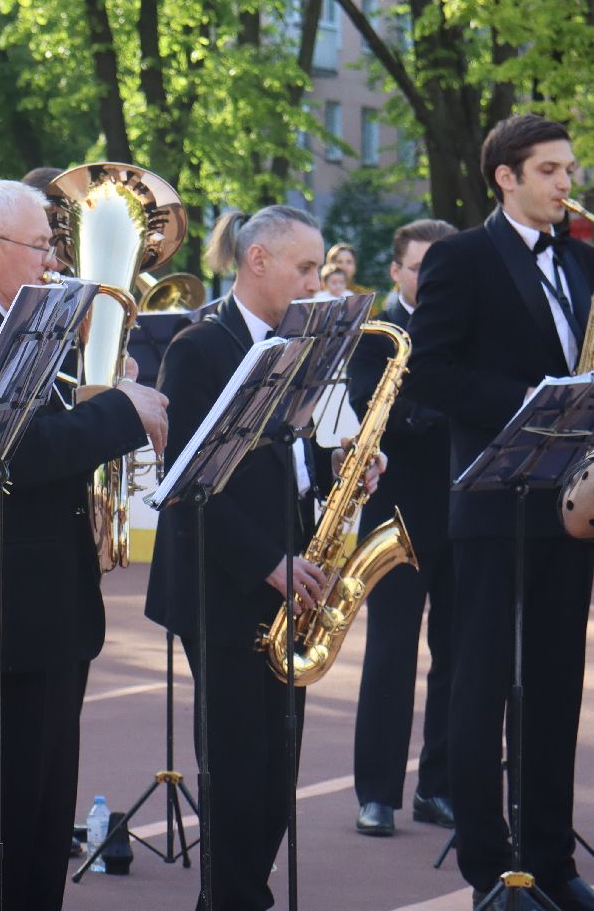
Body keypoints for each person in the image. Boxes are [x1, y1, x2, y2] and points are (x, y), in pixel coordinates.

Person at [0, 179, 169, 911]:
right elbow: (8, 450)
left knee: (42, 828)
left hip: (43, 615)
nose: (56, 260)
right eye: (42, 245)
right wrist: (119, 411)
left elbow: (43, 434)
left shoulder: (22, 327)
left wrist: (104, 391)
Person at [146, 204, 380, 911]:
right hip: (225, 585)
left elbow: (283, 455)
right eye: (305, 267)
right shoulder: (199, 348)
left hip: (287, 581)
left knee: (278, 771)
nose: (317, 281)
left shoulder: (294, 344)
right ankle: (231, 900)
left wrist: (339, 463)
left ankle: (244, 895)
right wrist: (268, 563)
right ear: (258, 262)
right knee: (239, 771)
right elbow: (189, 485)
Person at [406, 113, 594, 909]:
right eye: (549, 170)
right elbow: (431, 375)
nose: (565, 183)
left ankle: (552, 863)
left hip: (571, 509)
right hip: (490, 505)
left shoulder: (585, 261)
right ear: (505, 177)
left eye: (568, 169)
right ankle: (491, 866)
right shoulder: (460, 256)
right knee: (482, 687)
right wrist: (531, 403)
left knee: (555, 689)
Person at [350, 218, 458, 838]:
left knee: (458, 654)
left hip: (463, 511)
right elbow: (378, 410)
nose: (432, 277)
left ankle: (438, 788)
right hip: (396, 514)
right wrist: (451, 405)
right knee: (390, 653)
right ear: (397, 271)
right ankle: (377, 795)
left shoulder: (466, 326)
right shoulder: (378, 333)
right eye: (421, 266)